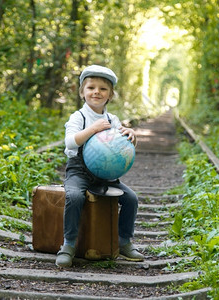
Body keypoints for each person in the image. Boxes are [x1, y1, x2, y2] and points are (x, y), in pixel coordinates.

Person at [56, 65, 144, 268]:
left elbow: (121, 147)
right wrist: (93, 129)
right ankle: (68, 245)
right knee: (75, 196)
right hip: (79, 171)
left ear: (110, 95)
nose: (96, 92)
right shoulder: (79, 117)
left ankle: (123, 241)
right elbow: (70, 142)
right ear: (82, 92)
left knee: (130, 198)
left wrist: (132, 137)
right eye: (91, 87)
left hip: (105, 174)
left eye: (103, 89)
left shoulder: (112, 120)